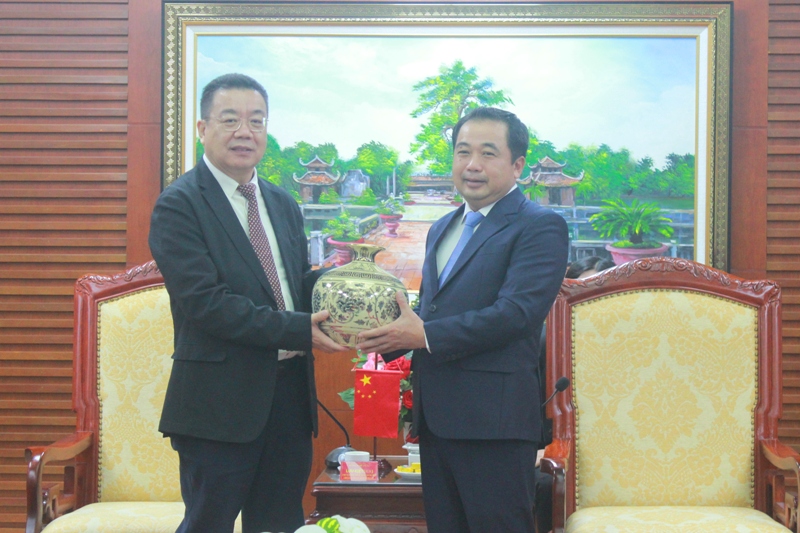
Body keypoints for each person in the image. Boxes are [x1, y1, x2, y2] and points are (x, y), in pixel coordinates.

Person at [357, 107, 569, 532]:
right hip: (437, 419)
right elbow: (433, 310)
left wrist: (424, 335)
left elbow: (517, 314)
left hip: (495, 423)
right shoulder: (443, 227)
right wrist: (383, 334)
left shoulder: (540, 225)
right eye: (463, 151)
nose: (472, 165)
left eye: (488, 153)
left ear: (517, 165)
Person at [149, 73, 344, 533]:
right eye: (230, 119)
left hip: (289, 401)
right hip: (218, 406)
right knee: (208, 524)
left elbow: (292, 284)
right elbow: (207, 304)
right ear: (203, 128)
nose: (245, 132)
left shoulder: (281, 202)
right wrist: (296, 329)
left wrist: (345, 286)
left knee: (280, 524)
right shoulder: (179, 205)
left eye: (257, 121)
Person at [534, 255, 615, 533]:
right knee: (546, 481)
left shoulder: (638, 342)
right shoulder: (546, 342)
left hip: (621, 454)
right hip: (561, 449)